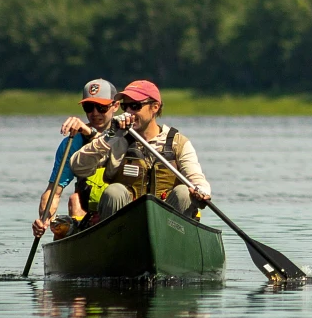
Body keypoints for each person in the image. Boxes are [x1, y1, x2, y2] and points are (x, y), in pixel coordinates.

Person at [70, 79, 211, 221]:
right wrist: (110, 137)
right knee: (114, 191)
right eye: (125, 107)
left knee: (184, 192)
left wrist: (201, 191)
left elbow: (196, 178)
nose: (128, 112)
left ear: (155, 107)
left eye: (135, 106)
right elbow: (79, 167)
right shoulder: (117, 140)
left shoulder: (178, 143)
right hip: (125, 226)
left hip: (168, 225)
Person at [32, 78, 119, 237]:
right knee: (74, 201)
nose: (95, 113)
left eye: (101, 107)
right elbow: (54, 192)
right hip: (90, 214)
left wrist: (89, 133)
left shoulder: (128, 134)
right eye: (89, 107)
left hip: (123, 209)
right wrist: (43, 220)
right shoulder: (73, 142)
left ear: (116, 106)